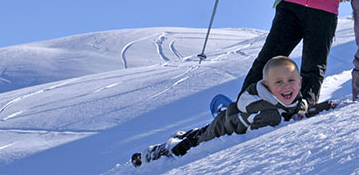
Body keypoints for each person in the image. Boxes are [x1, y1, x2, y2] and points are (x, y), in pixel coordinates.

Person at [131, 56, 336, 166]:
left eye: (291, 81)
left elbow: (299, 109)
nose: (286, 87)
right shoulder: (268, 115)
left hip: (231, 117)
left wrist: (322, 107)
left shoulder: (291, 98)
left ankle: (221, 113)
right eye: (279, 82)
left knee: (201, 130)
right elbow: (287, 122)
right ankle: (157, 152)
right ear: (266, 85)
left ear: (300, 82)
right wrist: (313, 111)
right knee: (186, 146)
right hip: (220, 130)